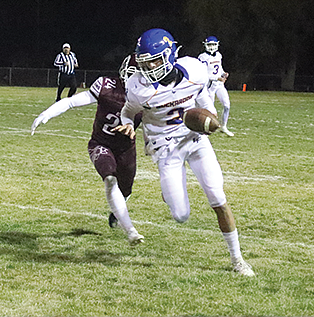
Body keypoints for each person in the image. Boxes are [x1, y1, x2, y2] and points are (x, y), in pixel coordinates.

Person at [113, 28, 254, 276]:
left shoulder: (194, 69)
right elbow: (127, 110)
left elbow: (201, 95)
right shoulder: (139, 87)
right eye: (143, 63)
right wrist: (126, 121)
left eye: (153, 61)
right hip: (166, 148)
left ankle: (237, 259)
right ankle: (169, 191)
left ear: (168, 55)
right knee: (181, 215)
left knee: (218, 198)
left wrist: (210, 118)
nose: (148, 68)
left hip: (195, 139)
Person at [31, 55, 144, 246]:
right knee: (109, 179)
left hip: (126, 148)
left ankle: (117, 211)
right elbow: (71, 102)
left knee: (125, 190)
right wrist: (47, 113)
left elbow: (155, 125)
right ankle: (131, 231)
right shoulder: (106, 86)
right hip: (101, 143)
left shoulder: (149, 95)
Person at [198, 36, 234, 137]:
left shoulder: (218, 55)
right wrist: (217, 78)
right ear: (205, 45)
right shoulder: (203, 57)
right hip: (209, 86)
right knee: (210, 109)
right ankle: (205, 129)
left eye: (213, 44)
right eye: (209, 45)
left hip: (219, 85)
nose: (212, 47)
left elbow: (219, 69)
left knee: (227, 105)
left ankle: (224, 126)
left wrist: (223, 74)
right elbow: (204, 74)